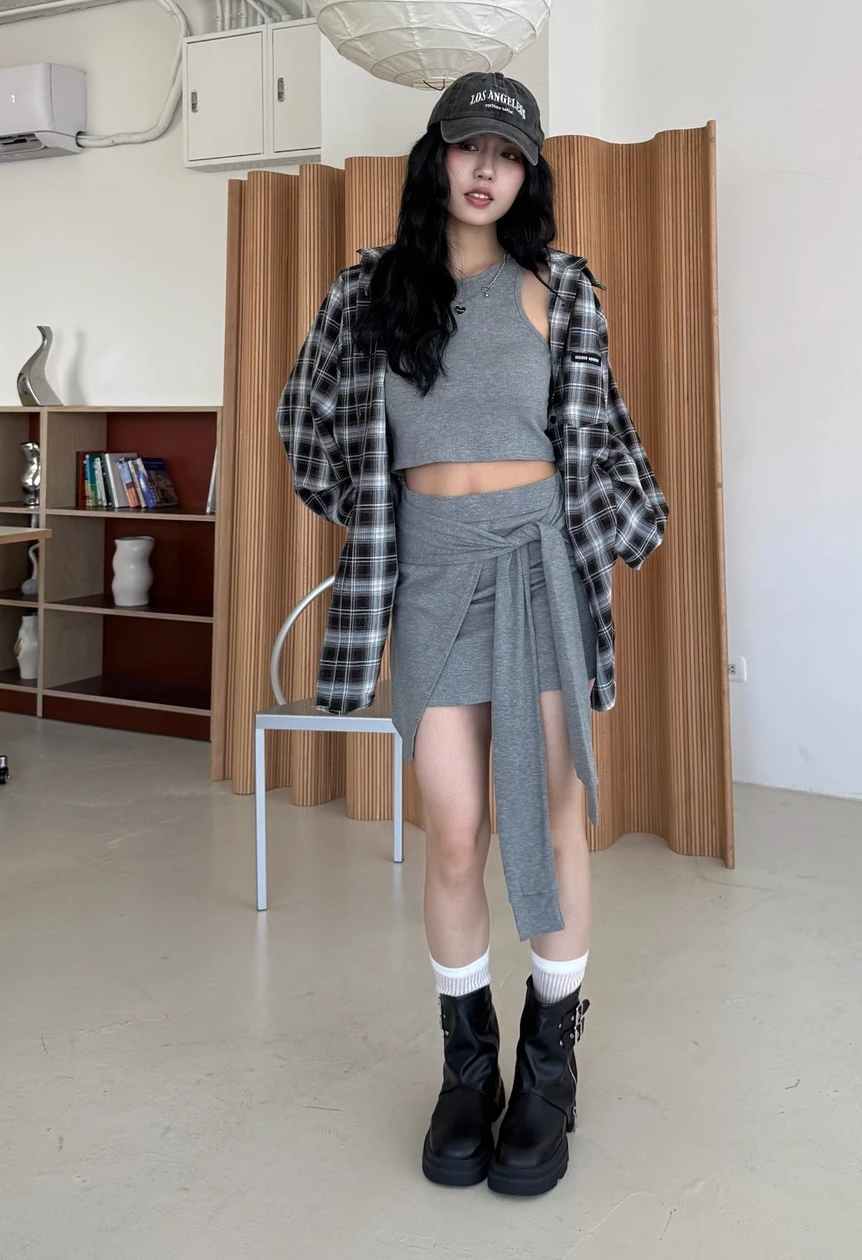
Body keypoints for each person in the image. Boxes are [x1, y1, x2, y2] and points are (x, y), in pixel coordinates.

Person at [278, 71, 668, 1198]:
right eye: (468, 147)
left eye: (508, 152)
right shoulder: (368, 294)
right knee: (454, 832)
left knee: (549, 822)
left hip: (538, 566)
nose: (486, 169)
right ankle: (466, 1070)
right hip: (435, 573)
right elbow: (308, 424)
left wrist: (617, 524)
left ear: (528, 172)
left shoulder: (560, 289)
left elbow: (601, 434)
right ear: (436, 157)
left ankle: (549, 1066)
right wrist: (375, 506)